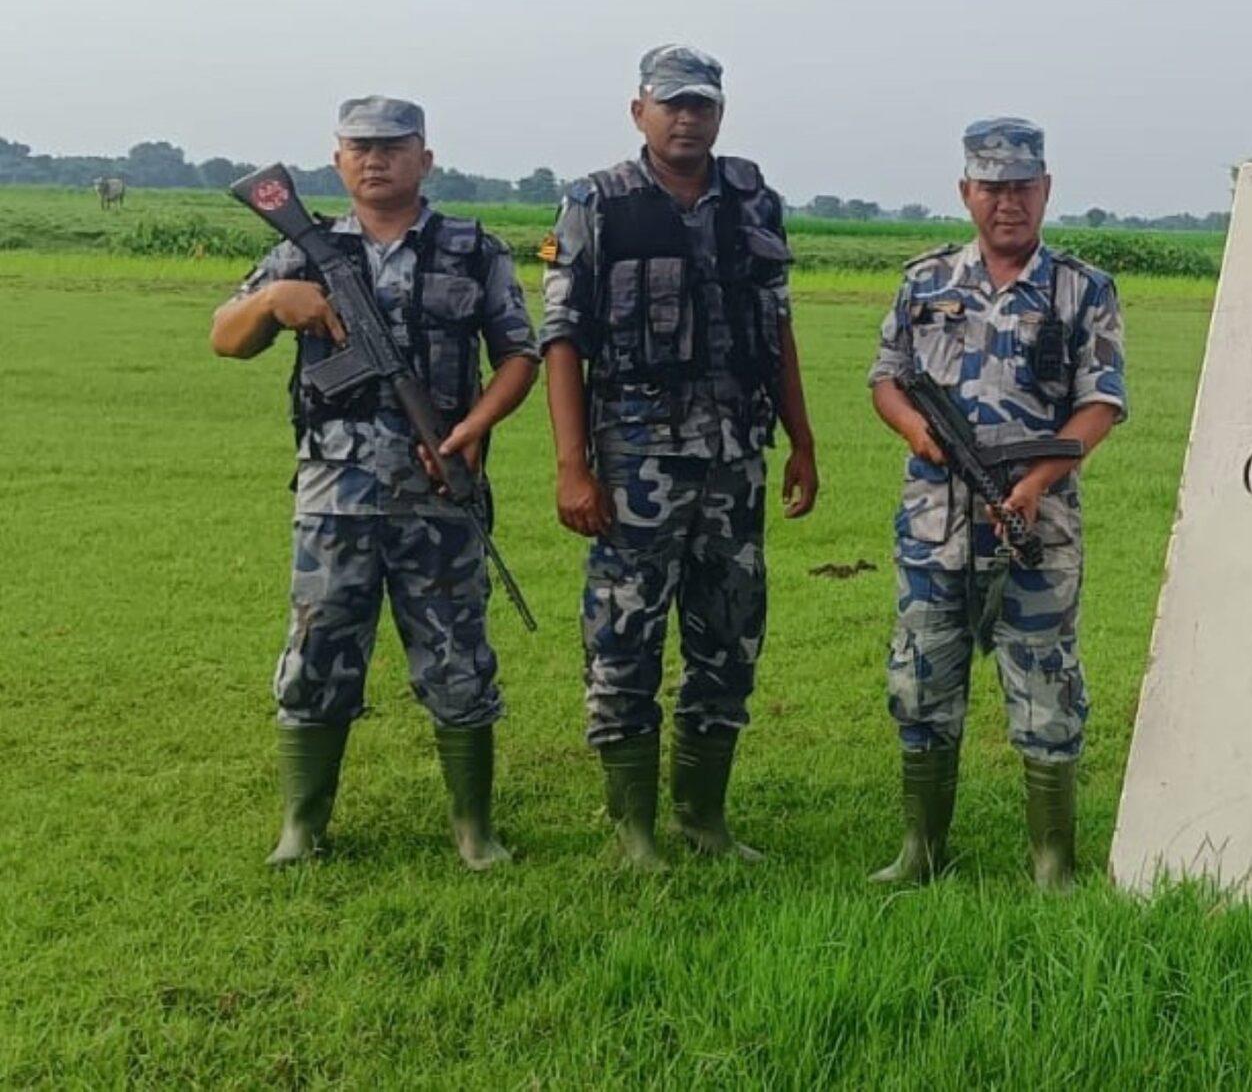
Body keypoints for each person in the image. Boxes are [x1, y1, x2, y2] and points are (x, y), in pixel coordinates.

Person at [210, 95, 537, 870]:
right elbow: (225, 338)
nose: (375, 159)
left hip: (439, 487)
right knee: (319, 652)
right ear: (336, 160)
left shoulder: (472, 249)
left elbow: (519, 356)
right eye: (359, 147)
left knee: (458, 659)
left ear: (425, 157)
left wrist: (474, 427)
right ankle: (301, 828)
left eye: (393, 146)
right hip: (335, 496)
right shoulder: (305, 250)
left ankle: (474, 831)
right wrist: (273, 302)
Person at [537, 45, 819, 870]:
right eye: (671, 104)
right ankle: (633, 832)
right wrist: (570, 465)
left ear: (720, 113)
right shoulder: (595, 203)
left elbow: (778, 326)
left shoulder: (753, 199)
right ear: (640, 113)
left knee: (729, 635)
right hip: (634, 461)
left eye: (700, 104)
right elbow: (563, 341)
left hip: (737, 458)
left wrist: (802, 438)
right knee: (624, 635)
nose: (686, 117)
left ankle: (704, 820)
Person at [865, 117, 1127, 892]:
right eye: (991, 187)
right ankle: (921, 851)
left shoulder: (1083, 290)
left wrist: (1036, 480)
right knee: (921, 682)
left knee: (1045, 684)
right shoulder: (925, 283)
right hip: (934, 524)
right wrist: (917, 431)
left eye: (1021, 187)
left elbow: (1103, 402)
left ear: (1045, 191)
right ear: (965, 193)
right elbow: (886, 376)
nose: (1006, 202)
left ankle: (1053, 864)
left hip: (1034, 528)